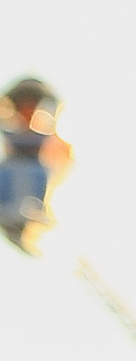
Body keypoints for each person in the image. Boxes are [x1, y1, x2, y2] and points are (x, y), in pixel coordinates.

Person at [0, 78, 69, 255]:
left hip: (35, 189)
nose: (28, 111)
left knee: (37, 172)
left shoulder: (46, 136)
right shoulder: (9, 133)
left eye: (32, 106)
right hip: (9, 190)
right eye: (23, 105)